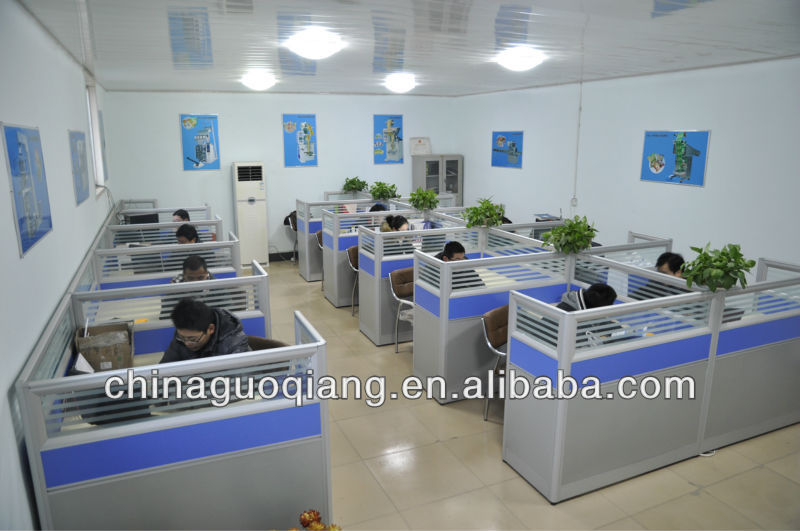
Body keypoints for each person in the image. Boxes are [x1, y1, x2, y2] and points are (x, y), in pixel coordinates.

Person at [160, 298, 251, 363]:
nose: (187, 343)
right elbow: (165, 369)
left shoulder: (234, 343)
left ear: (211, 329)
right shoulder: (181, 338)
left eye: (193, 339)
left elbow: (240, 380)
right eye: (182, 337)